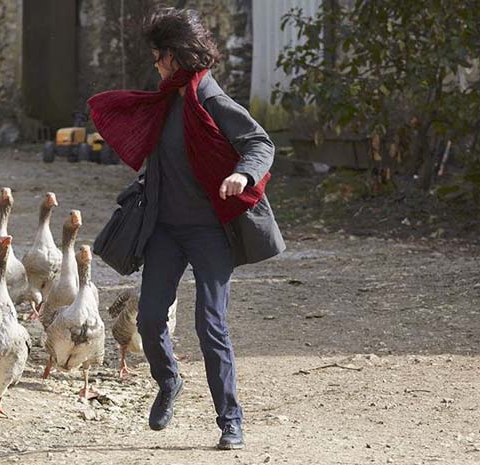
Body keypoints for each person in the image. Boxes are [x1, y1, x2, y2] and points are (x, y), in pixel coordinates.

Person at [88, 7, 285, 450]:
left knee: (209, 323)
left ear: (177, 56)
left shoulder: (211, 101)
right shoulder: (162, 102)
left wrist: (244, 176)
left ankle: (230, 419)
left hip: (209, 232)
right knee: (151, 317)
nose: (155, 64)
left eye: (159, 56)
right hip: (165, 231)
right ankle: (169, 380)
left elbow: (259, 143)